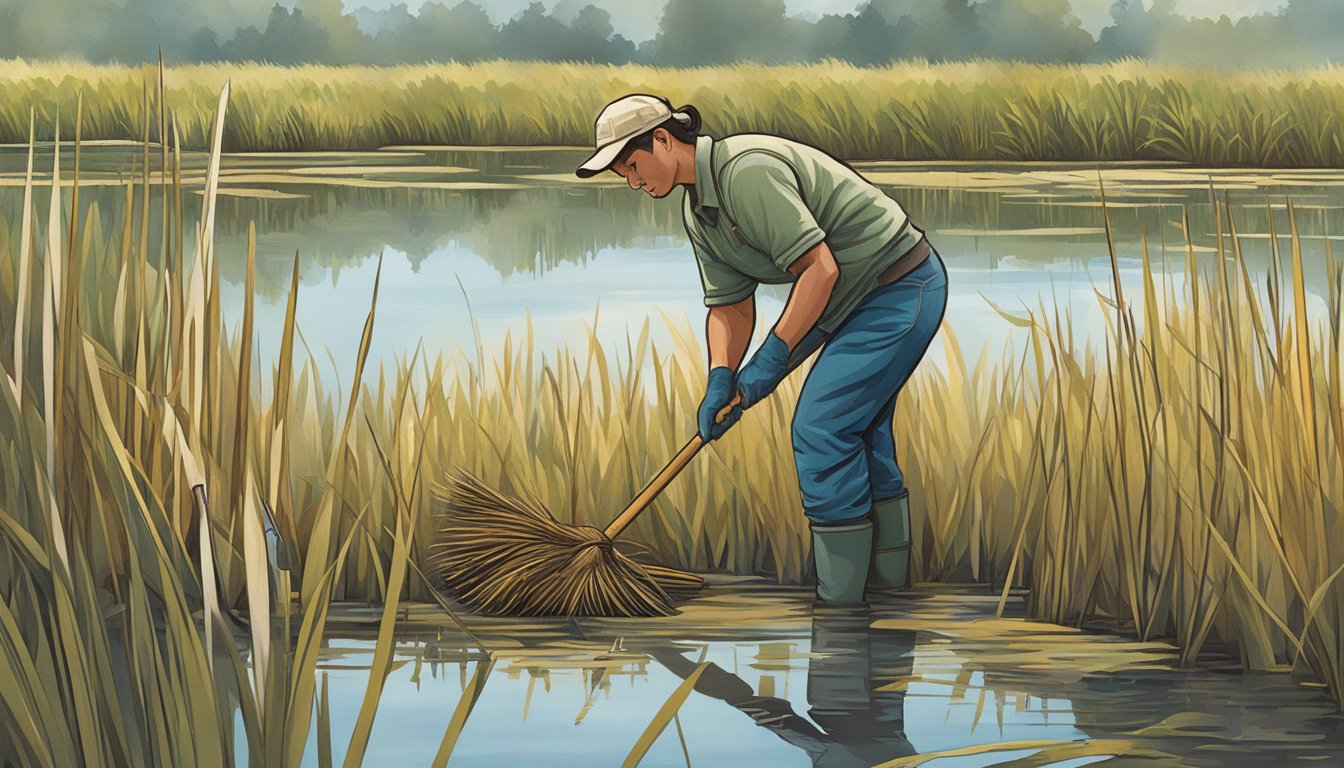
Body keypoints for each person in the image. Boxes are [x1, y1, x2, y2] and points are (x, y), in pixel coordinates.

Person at [575, 94, 948, 605]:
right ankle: (884, 606)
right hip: (843, 301)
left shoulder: (744, 173)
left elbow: (820, 269)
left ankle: (841, 610)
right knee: (862, 432)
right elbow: (731, 305)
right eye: (625, 175)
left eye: (634, 166)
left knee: (823, 427)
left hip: (897, 283)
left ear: (662, 139)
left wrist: (771, 360)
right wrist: (721, 379)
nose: (634, 182)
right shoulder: (699, 212)